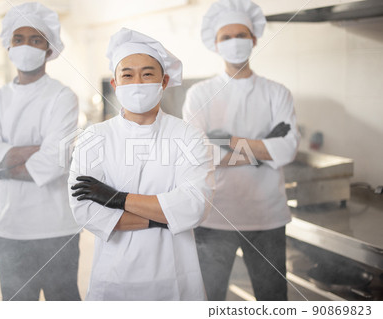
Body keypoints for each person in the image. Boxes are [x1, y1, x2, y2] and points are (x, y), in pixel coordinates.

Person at [68, 28, 215, 300]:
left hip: (175, 278)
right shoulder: (94, 137)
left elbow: (195, 206)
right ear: (115, 84)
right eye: (127, 75)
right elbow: (86, 211)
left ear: (164, 81)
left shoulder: (187, 135)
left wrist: (116, 198)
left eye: (148, 74)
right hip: (114, 278)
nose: (137, 82)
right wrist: (167, 219)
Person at [182, 0, 300, 301]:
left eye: (241, 35)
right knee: (209, 300)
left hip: (267, 217)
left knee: (273, 301)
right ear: (215, 44)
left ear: (254, 39)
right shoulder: (200, 94)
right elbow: (197, 154)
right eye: (226, 36)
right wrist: (262, 151)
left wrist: (227, 139)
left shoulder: (277, 92)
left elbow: (287, 149)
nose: (235, 42)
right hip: (214, 215)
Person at [0, 2, 81, 301]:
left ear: (49, 49)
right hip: (10, 230)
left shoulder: (62, 96)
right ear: (8, 46)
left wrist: (3, 164)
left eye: (35, 40)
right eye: (18, 39)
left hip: (56, 229)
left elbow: (55, 162)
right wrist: (33, 151)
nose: (26, 46)